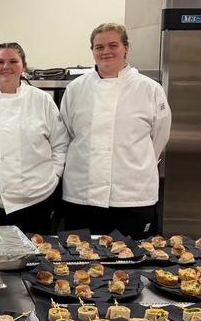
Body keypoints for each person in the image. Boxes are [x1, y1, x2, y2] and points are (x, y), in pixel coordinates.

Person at [60, 22, 171, 239]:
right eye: (99, 47)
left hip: (131, 195)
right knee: (79, 262)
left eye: (113, 45)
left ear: (126, 48)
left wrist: (135, 164)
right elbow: (68, 133)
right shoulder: (76, 89)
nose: (106, 52)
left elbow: (159, 137)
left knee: (130, 262)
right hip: (82, 195)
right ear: (92, 51)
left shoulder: (149, 89)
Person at [0, 42, 69, 231]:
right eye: (0, 61)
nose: (6, 67)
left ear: (23, 66)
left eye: (13, 61)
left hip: (35, 199)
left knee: (33, 258)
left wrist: (55, 175)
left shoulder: (42, 100)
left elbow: (60, 144)